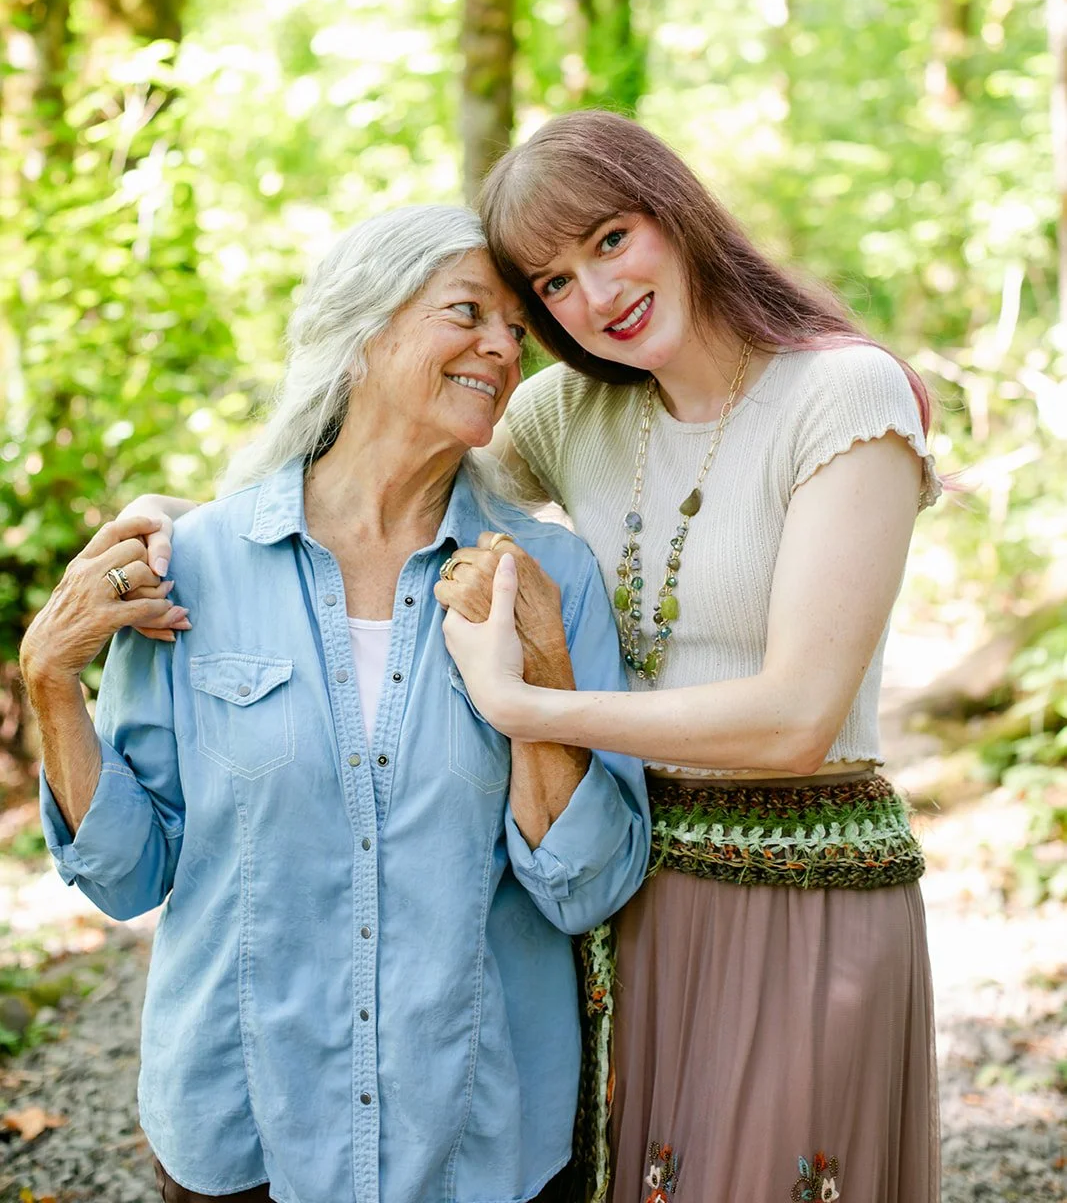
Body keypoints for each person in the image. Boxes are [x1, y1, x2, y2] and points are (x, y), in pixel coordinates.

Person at [21, 205, 650, 1203]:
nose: (502, 346)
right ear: (361, 327)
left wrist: (537, 673)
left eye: (516, 329)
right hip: (242, 1126)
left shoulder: (549, 576)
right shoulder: (191, 564)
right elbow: (127, 874)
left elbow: (586, 888)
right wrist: (50, 684)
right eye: (467, 312)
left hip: (477, 1138)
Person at [435, 112, 941, 1203]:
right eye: (553, 282)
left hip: (806, 895)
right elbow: (388, 483)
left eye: (610, 239)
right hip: (628, 891)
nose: (597, 294)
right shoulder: (568, 411)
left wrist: (528, 708)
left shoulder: (843, 394)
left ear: (674, 209)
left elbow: (794, 717)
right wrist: (197, 522)